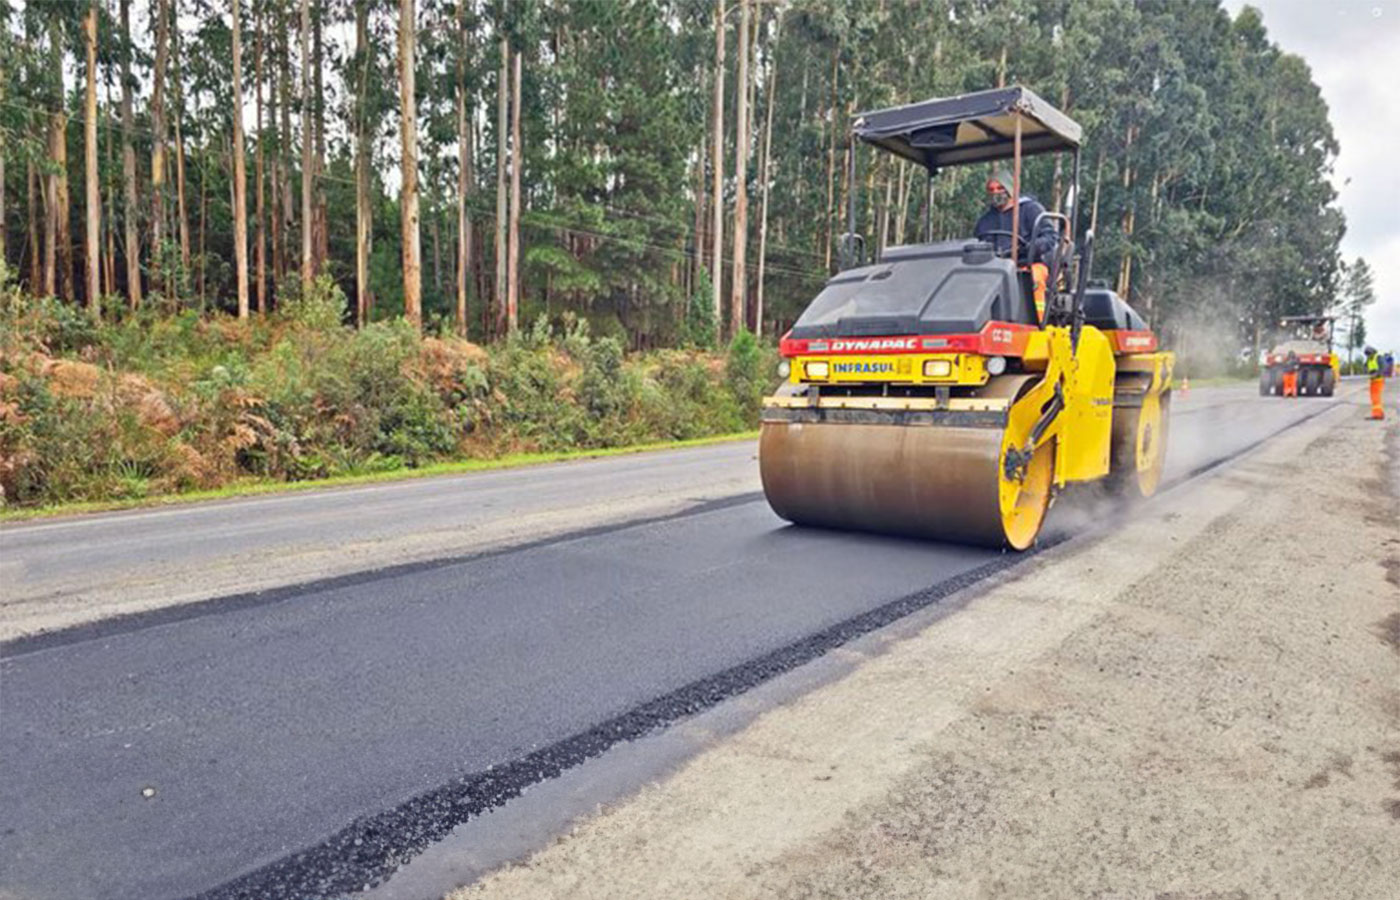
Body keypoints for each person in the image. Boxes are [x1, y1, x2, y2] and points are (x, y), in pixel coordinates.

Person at [975, 171, 1059, 320]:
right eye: (991, 190)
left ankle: (1037, 323)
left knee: (1035, 278)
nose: (995, 193)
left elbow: (1050, 237)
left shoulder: (1030, 210)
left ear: (1010, 188)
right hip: (995, 270)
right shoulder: (985, 221)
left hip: (1027, 265)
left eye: (1000, 188)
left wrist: (1029, 248)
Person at [1364, 346, 1385, 419]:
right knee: (1373, 397)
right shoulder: (1369, 359)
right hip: (1372, 380)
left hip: (1378, 380)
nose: (1368, 356)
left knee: (1375, 397)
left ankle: (1377, 415)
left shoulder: (1378, 357)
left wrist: (1376, 374)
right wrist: (1368, 371)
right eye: (1367, 355)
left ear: (1372, 352)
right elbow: (1365, 366)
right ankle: (1379, 413)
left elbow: (1383, 368)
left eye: (1369, 354)